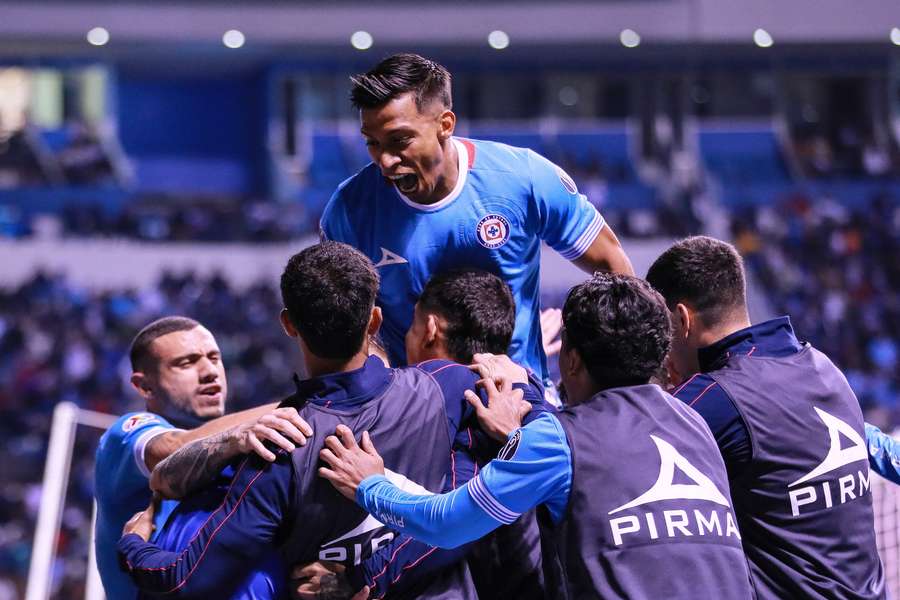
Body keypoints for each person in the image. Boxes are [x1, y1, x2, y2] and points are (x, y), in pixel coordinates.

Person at [318, 272, 754, 599]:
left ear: (572, 361)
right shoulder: (693, 421)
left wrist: (370, 484)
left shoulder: (557, 440)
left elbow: (447, 524)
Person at [116, 242, 515, 598]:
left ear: (288, 324)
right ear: (375, 321)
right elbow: (490, 497)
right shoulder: (451, 387)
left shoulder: (278, 451)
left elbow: (185, 579)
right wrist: (511, 427)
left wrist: (134, 545)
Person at [320, 52, 633, 387]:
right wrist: (391, 387)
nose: (385, 160)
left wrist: (610, 382)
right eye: (372, 143)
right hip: (416, 412)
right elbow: (344, 336)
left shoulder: (523, 178)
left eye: (400, 141)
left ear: (445, 125)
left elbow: (617, 270)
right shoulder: (348, 211)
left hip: (520, 404)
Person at [645, 236, 885, 599]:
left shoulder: (717, 398)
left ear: (682, 319)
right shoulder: (823, 366)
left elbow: (620, 444)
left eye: (662, 335)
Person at [94, 316, 312, 600]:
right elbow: (175, 449)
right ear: (144, 386)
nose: (209, 371)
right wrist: (310, 400)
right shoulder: (123, 435)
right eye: (186, 363)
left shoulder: (243, 446)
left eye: (214, 358)